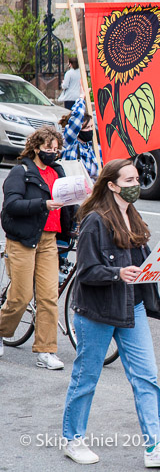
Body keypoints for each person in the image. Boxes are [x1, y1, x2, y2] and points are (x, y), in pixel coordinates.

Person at [61, 159, 160, 467]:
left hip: (133, 307)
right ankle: (72, 439)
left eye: (137, 178)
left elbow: (141, 262)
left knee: (147, 377)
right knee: (86, 377)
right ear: (112, 185)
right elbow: (88, 271)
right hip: (97, 311)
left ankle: (154, 447)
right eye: (129, 180)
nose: (136, 184)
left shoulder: (132, 214)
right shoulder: (95, 220)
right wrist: (118, 273)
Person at [0, 127, 73, 367]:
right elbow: (12, 205)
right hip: (23, 239)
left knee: (49, 297)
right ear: (36, 147)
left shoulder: (58, 172)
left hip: (49, 240)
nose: (53, 153)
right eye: (48, 148)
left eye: (56, 149)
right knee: (21, 297)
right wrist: (43, 204)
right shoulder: (20, 172)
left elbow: (68, 205)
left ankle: (46, 351)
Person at [59, 95, 101, 182]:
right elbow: (77, 118)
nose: (90, 130)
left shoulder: (91, 146)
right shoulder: (70, 143)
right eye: (86, 127)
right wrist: (81, 98)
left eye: (91, 127)